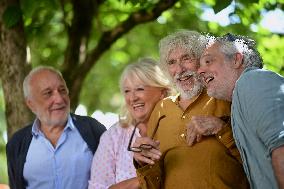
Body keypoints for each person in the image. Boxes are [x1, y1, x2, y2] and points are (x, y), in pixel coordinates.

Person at [132, 31, 249, 189]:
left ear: (202, 61)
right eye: (172, 62)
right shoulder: (161, 108)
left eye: (186, 58)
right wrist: (143, 163)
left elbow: (256, 159)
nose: (179, 69)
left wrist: (221, 129)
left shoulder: (225, 96)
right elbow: (153, 185)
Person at [198, 33, 284, 189]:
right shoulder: (240, 98)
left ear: (236, 59)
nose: (200, 71)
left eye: (208, 61)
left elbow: (281, 147)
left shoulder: (252, 80)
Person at [6, 66, 106, 189]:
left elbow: (114, 180)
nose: (59, 99)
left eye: (62, 90)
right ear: (31, 104)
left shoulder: (93, 130)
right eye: (48, 93)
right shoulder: (17, 143)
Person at [88, 58, 171, 189]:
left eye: (139, 89)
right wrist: (143, 179)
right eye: (127, 91)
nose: (132, 98)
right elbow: (97, 187)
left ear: (162, 92)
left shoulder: (179, 127)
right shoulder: (113, 137)